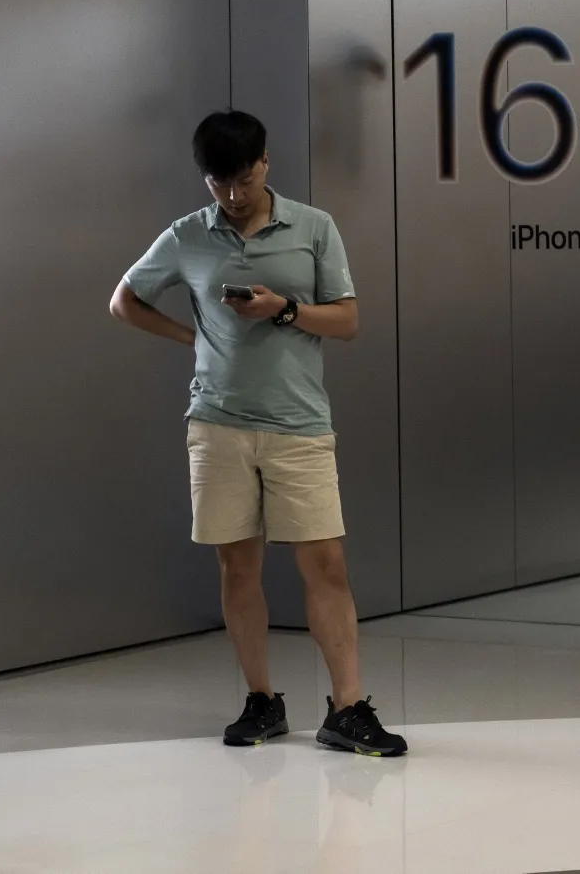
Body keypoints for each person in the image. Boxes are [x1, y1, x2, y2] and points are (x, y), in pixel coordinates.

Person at [109, 110, 407, 757]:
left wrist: (285, 309)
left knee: (324, 564)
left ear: (265, 163)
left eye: (243, 179)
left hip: (298, 424)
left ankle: (348, 707)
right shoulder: (188, 235)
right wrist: (193, 338)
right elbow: (124, 301)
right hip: (217, 426)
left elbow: (349, 321)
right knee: (236, 565)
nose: (233, 196)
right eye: (219, 183)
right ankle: (261, 700)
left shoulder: (313, 228)